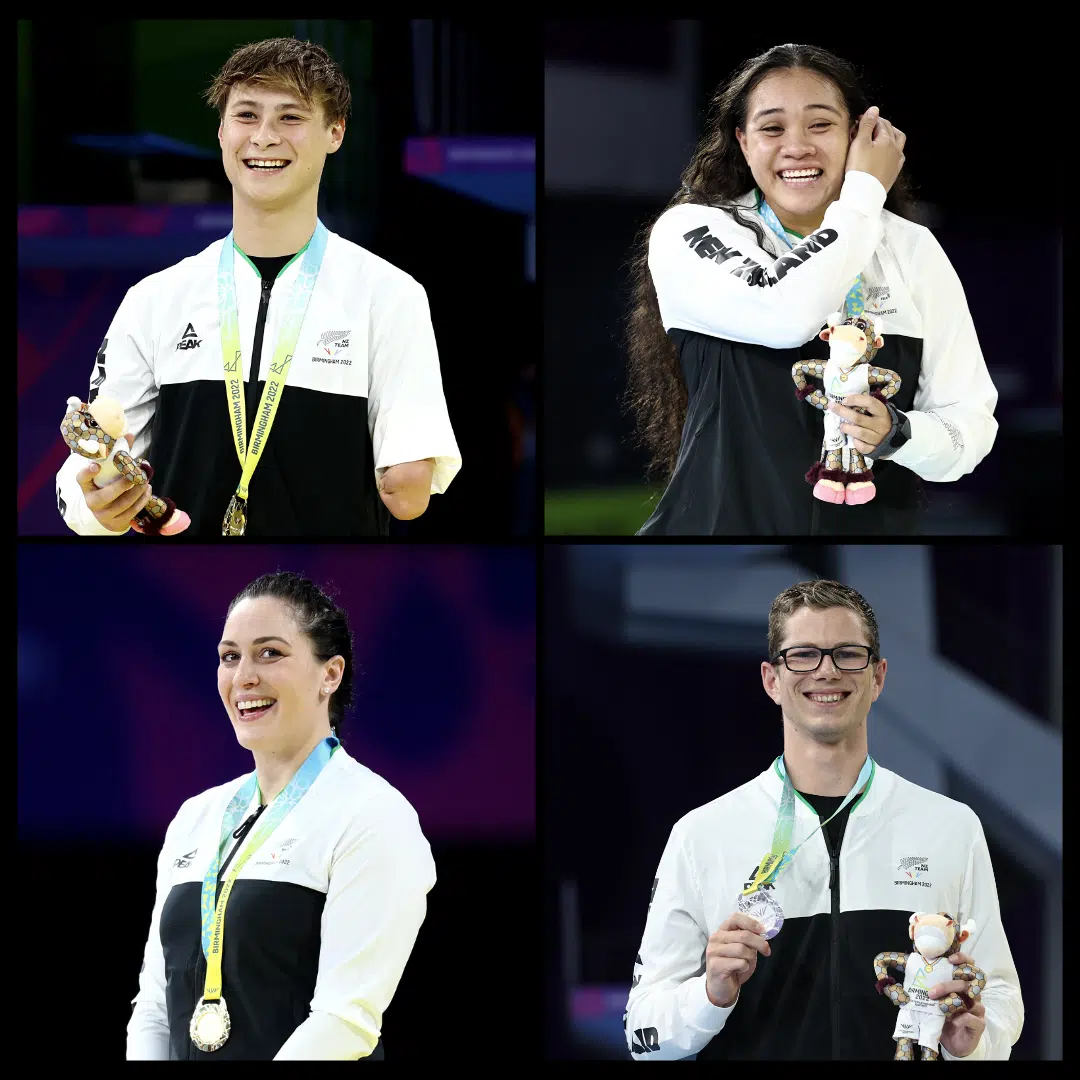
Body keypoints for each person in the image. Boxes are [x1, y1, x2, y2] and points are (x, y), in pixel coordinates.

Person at [57, 37, 461, 537]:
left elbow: (410, 485)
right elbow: (88, 469)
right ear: (222, 131)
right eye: (246, 115)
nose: (264, 137)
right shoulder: (155, 299)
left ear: (335, 133)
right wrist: (96, 502)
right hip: (186, 585)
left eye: (290, 118)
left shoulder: (390, 296)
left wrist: (411, 478)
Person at [624, 580, 1022, 1060]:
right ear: (772, 679)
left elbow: (999, 995)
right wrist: (709, 994)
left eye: (848, 654)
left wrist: (974, 1046)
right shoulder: (701, 834)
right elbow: (641, 1036)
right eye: (803, 655)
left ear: (878, 676)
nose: (827, 671)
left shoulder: (950, 826)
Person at [625, 44, 998, 535]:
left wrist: (898, 431)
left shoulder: (910, 247)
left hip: (872, 541)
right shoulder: (690, 229)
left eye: (820, 124)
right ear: (741, 141)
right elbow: (787, 314)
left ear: (858, 134)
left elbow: (969, 424)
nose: (797, 145)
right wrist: (865, 189)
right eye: (772, 128)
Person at [126, 571, 434, 1060]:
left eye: (270, 653)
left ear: (330, 675)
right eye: (231, 657)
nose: (244, 676)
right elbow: (155, 1010)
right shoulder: (195, 817)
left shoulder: (374, 816)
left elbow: (345, 1021)